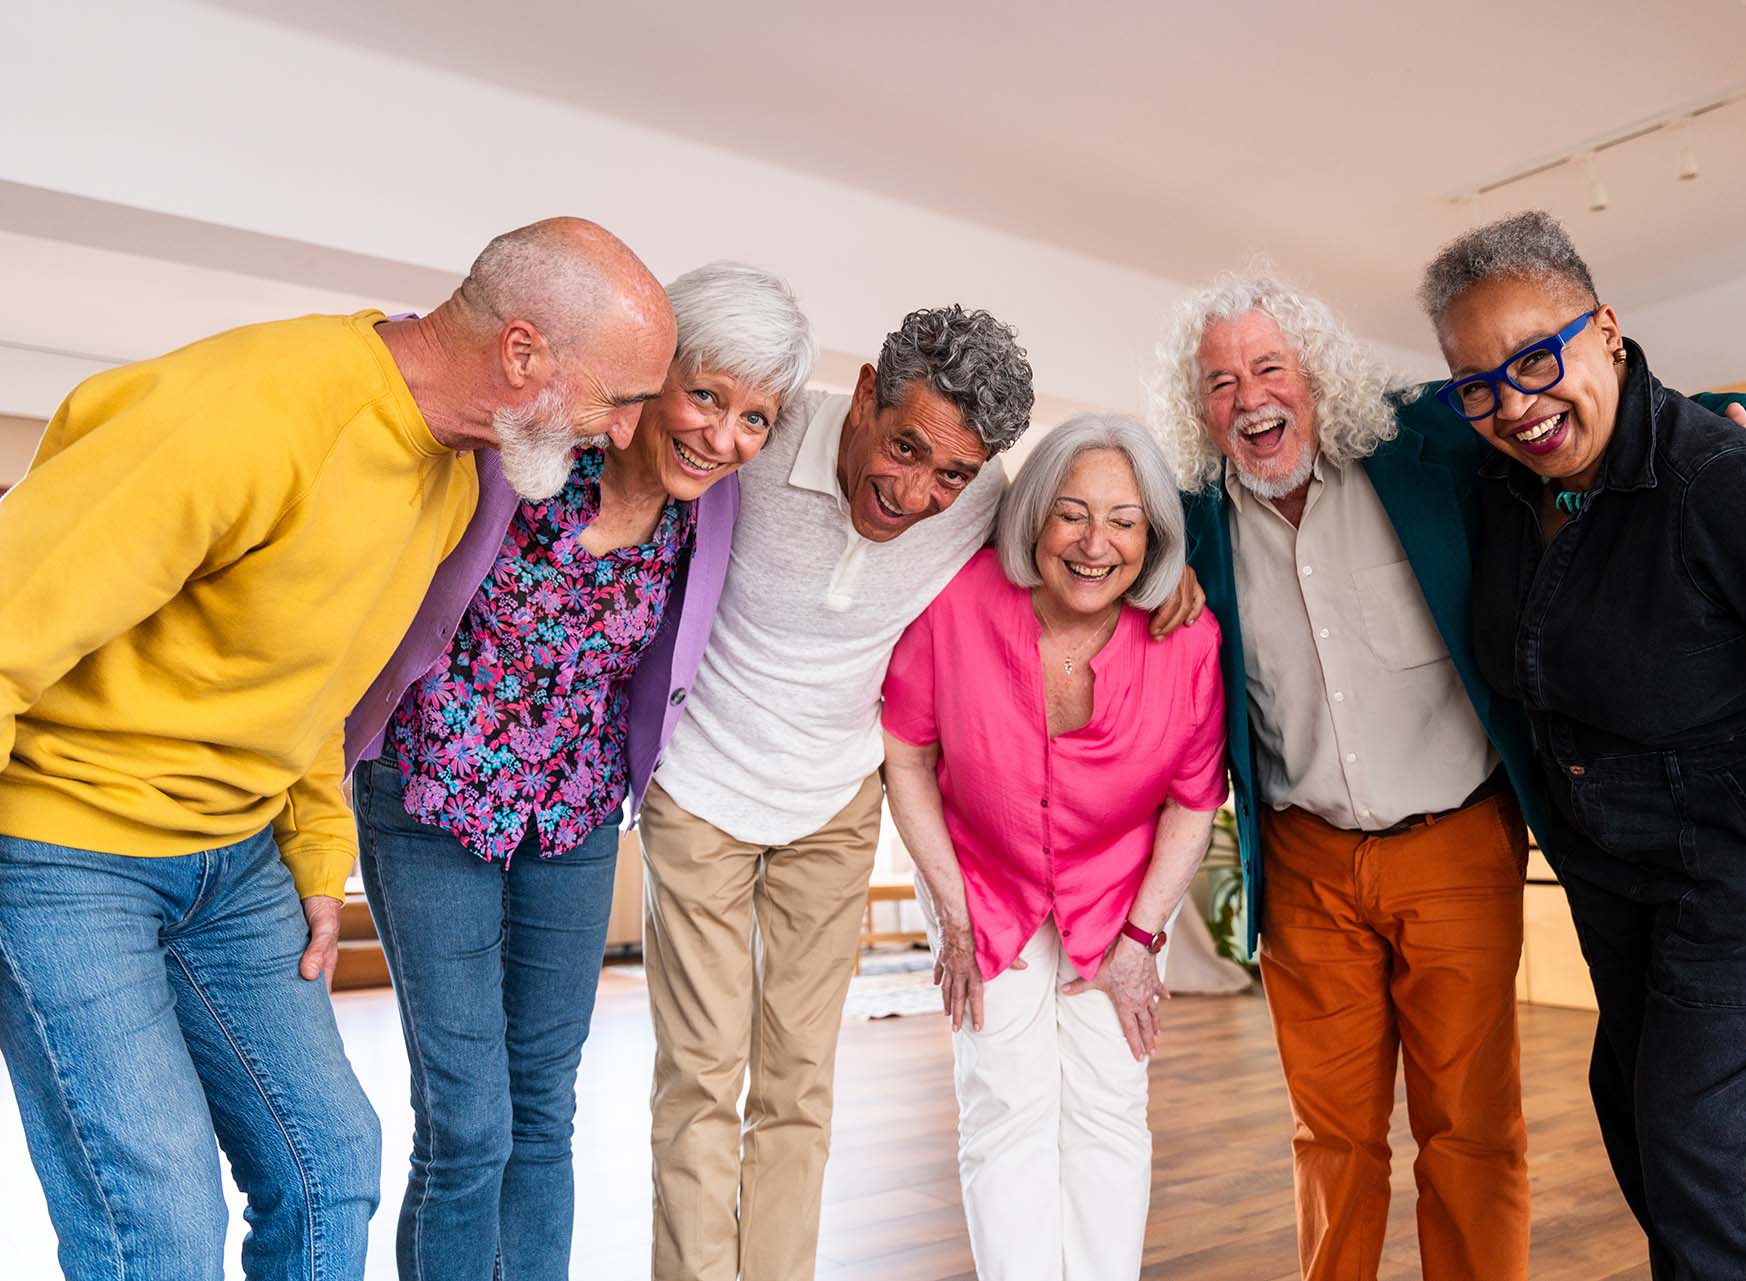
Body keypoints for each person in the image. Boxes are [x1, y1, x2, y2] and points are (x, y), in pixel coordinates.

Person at [0, 216, 673, 1279]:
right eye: (620, 397)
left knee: (330, 1167)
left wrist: (317, 857)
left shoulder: (454, 474)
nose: (629, 435)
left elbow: (328, 685)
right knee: (163, 1221)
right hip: (66, 850)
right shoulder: (247, 412)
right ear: (523, 352)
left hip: (234, 861)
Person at [1147, 266, 1746, 1281]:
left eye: (1269, 367)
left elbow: (1590, 419)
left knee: (1471, 1126)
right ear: (1199, 407)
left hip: (1453, 842)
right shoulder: (1191, 517)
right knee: (1333, 1138)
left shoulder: (1427, 443)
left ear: (1313, 372)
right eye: (1221, 384)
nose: (1250, 400)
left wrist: (1741, 419)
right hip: (1305, 858)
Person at [639, 304, 1208, 1281]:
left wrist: (1167, 574)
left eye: (950, 473)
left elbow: (1077, 541)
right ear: (864, 393)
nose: (913, 493)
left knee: (799, 1083)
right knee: (700, 1076)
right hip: (702, 788)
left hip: (833, 800)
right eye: (904, 448)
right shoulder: (758, 452)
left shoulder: (981, 500)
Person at [1418, 210, 1746, 1279]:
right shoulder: (1508, 481)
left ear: (1606, 330)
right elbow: (1363, 419)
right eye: (1477, 382)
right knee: (1659, 1132)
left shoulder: (1722, 481)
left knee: (1702, 1154)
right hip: (1623, 873)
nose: (1513, 401)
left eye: (1536, 357)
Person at [339, 261, 812, 1281]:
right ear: (653, 375)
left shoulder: (709, 515)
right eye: (707, 395)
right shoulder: (532, 448)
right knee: (468, 1120)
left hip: (575, 819)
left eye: (757, 419)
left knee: (544, 1105)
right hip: (430, 795)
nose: (723, 438)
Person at [882, 414, 1226, 1281]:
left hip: (1118, 894)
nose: (1093, 542)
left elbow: (1193, 801)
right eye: (1072, 513)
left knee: (1110, 1104)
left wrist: (1143, 941)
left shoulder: (1187, 640)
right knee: (1004, 1104)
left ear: (1152, 537)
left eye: (1122, 519)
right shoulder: (957, 604)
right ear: (1034, 515)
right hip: (982, 880)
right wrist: (952, 915)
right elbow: (909, 756)